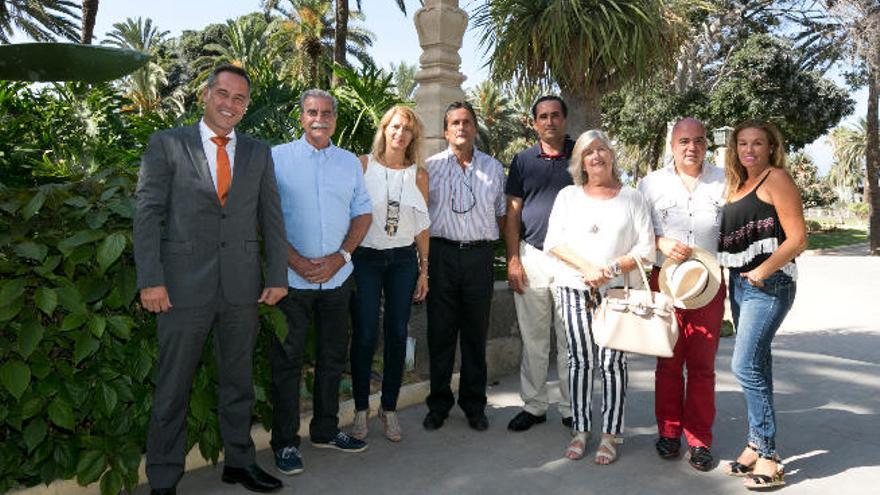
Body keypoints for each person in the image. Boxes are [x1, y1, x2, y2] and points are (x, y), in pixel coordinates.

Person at [134, 65, 287, 494]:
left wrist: (276, 274)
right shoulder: (167, 144)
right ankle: (164, 478)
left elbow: (271, 218)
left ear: (246, 106)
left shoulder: (259, 152)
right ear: (205, 94)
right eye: (223, 94)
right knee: (173, 387)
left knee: (239, 382)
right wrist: (151, 279)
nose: (230, 104)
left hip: (241, 286)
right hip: (181, 287)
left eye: (239, 99)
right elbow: (147, 214)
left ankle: (239, 462)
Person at [270, 89, 373, 476]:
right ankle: (284, 443)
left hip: (338, 279)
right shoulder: (277, 158)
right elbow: (267, 217)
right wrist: (295, 260)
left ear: (335, 118)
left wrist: (341, 257)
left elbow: (362, 213)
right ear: (301, 117)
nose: (320, 118)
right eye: (312, 112)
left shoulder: (349, 163)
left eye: (327, 112)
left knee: (332, 359)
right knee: (287, 363)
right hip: (292, 281)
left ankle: (325, 431)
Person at [544, 129, 654, 465]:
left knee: (612, 363)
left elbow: (645, 249)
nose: (597, 156)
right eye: (589, 152)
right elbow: (554, 243)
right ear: (580, 161)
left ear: (612, 155)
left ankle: (610, 433)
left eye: (602, 149)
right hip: (574, 290)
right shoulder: (567, 196)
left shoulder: (632, 197)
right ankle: (580, 428)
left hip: (616, 294)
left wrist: (608, 269)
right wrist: (588, 268)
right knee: (578, 361)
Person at [718, 120, 806, 490]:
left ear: (771, 147)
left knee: (744, 364)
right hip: (740, 285)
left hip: (770, 284)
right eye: (742, 143)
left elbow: (798, 237)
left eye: (757, 143)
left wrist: (761, 271)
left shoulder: (776, 178)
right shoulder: (739, 185)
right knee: (759, 365)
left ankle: (770, 455)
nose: (749, 149)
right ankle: (755, 444)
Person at [637, 117, 727, 471]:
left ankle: (700, 440)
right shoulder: (650, 184)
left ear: (707, 144)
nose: (692, 147)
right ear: (672, 145)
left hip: (710, 284)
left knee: (703, 366)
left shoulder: (725, 181)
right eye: (684, 141)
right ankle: (669, 433)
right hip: (667, 282)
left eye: (699, 141)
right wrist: (659, 242)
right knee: (669, 363)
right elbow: (639, 233)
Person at [422, 101, 507, 432]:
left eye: (467, 122)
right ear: (445, 131)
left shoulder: (494, 169)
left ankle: (474, 405)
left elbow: (502, 213)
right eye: (455, 123)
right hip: (442, 257)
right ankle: (439, 405)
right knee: (440, 334)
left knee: (475, 334)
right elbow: (420, 219)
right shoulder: (429, 169)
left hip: (479, 258)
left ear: (475, 128)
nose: (461, 127)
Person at [349, 105, 430, 443]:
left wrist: (425, 268)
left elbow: (423, 226)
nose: (399, 133)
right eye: (394, 126)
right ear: (383, 129)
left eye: (407, 129)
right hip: (365, 257)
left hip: (402, 261)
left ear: (413, 136)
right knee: (365, 333)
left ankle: (389, 408)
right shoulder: (361, 165)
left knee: (397, 332)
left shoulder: (419, 175)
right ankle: (359, 409)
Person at [504, 95, 574, 432]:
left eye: (555, 115)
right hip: (532, 256)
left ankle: (572, 407)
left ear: (565, 119)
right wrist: (514, 258)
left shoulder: (583, 155)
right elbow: (513, 212)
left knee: (570, 339)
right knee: (533, 338)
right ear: (534, 123)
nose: (549, 121)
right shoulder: (522, 161)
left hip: (573, 262)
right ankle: (533, 406)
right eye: (542, 117)